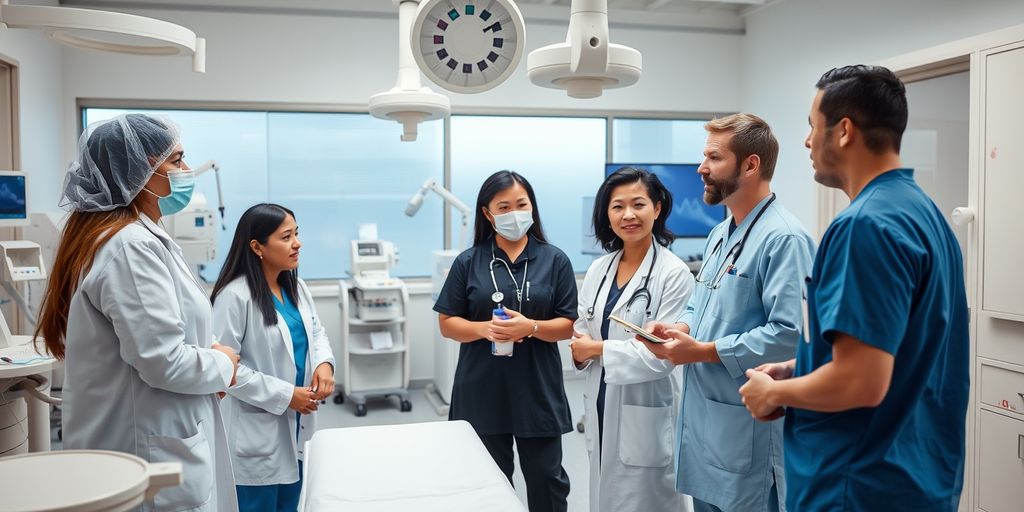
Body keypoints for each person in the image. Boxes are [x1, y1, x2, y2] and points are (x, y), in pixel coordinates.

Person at [739, 65, 970, 512]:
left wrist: (776, 393)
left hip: (856, 484)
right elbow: (887, 349)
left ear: (843, 131)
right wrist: (798, 367)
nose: (807, 142)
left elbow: (862, 381)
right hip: (913, 476)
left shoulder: (864, 226)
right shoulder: (925, 215)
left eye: (812, 126)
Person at [35, 114, 240, 512]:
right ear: (139, 172)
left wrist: (206, 355)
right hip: (144, 449)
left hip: (154, 434)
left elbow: (160, 338)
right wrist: (223, 363)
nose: (185, 171)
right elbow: (163, 362)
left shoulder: (140, 237)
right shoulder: (130, 247)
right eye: (177, 160)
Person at [640, 113, 815, 512]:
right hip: (707, 430)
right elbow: (700, 302)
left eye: (713, 158)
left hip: (747, 433)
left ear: (750, 165)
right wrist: (678, 328)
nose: (701, 168)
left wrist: (701, 351)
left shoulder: (784, 239)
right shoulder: (722, 233)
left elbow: (789, 333)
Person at [433, 170, 577, 512]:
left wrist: (532, 327)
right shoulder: (469, 262)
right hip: (482, 389)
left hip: (537, 389)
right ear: (488, 213)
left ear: (532, 207)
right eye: (504, 206)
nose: (514, 213)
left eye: (521, 204)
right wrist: (484, 329)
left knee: (547, 480)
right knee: (488, 485)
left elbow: (568, 324)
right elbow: (447, 323)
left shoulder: (555, 260)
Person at [569, 167, 695, 512]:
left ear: (657, 208)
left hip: (648, 408)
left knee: (650, 500)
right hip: (600, 402)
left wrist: (595, 350)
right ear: (606, 215)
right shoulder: (599, 270)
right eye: (617, 206)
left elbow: (664, 355)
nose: (628, 215)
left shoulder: (674, 274)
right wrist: (581, 353)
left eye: (638, 204)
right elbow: (583, 327)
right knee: (605, 496)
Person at [211, 203, 335, 512]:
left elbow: (316, 331)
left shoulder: (295, 287)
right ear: (257, 247)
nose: (297, 243)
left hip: (296, 427)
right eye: (286, 237)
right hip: (256, 434)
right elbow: (224, 368)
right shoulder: (234, 297)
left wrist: (324, 364)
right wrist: (286, 395)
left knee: (291, 502)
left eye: (297, 234)